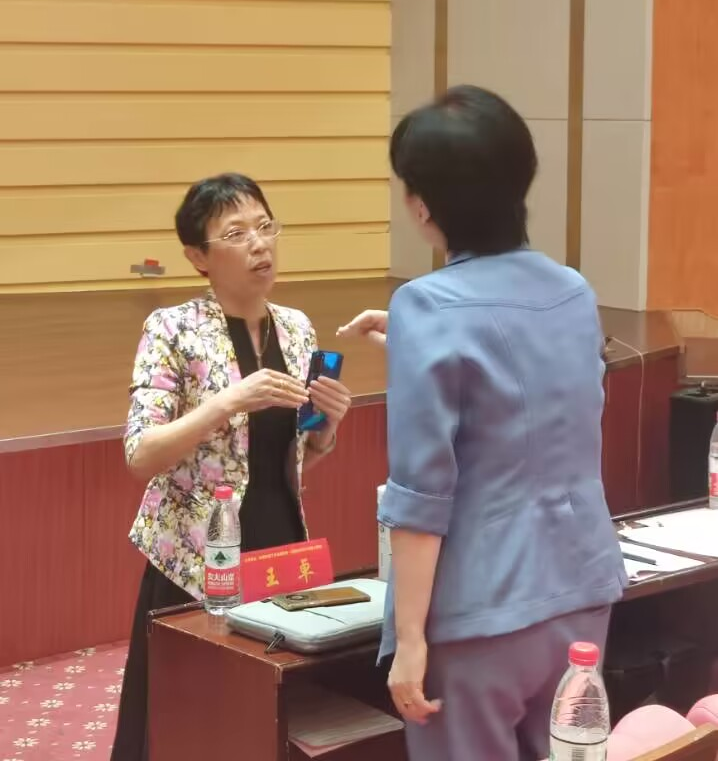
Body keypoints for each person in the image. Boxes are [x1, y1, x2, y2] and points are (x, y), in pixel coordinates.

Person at [338, 86, 627, 761]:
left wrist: (410, 639)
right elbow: (537, 401)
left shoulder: (426, 305)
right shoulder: (573, 290)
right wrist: (414, 347)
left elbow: (421, 492)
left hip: (480, 609)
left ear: (422, 205)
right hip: (581, 591)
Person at [112, 173, 351, 761]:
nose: (259, 244)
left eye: (265, 227)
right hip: (194, 557)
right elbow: (140, 454)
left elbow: (297, 454)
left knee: (267, 710)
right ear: (199, 256)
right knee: (185, 715)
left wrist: (328, 425)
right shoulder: (171, 329)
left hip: (279, 545)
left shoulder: (296, 328)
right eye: (236, 233)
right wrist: (224, 403)